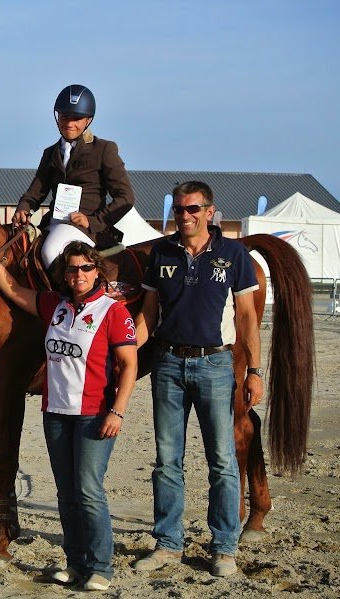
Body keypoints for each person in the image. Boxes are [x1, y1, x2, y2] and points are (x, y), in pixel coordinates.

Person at [0, 219, 137, 591]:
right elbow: (12, 289)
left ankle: (100, 567)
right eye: (72, 269)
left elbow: (129, 364)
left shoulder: (113, 312)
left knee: (89, 491)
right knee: (66, 493)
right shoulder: (54, 305)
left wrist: (118, 411)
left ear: (97, 270)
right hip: (57, 414)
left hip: (95, 415)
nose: (78, 275)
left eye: (85, 268)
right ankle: (75, 564)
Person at [132, 181, 264, 577]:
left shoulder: (233, 254)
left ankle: (224, 548)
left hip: (215, 365)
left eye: (192, 209)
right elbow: (148, 314)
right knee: (167, 461)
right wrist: (122, 355)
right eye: (178, 210)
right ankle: (168, 544)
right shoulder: (161, 252)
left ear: (209, 211)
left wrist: (255, 371)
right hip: (168, 364)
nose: (184, 216)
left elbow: (246, 317)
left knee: (221, 460)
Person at [12, 84, 138, 268]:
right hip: (52, 224)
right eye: (64, 117)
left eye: (76, 118)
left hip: (85, 229)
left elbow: (126, 197)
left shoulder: (104, 149)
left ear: (88, 120)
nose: (69, 123)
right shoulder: (50, 153)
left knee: (51, 251)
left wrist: (93, 221)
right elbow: (35, 192)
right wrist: (23, 209)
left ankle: (72, 288)